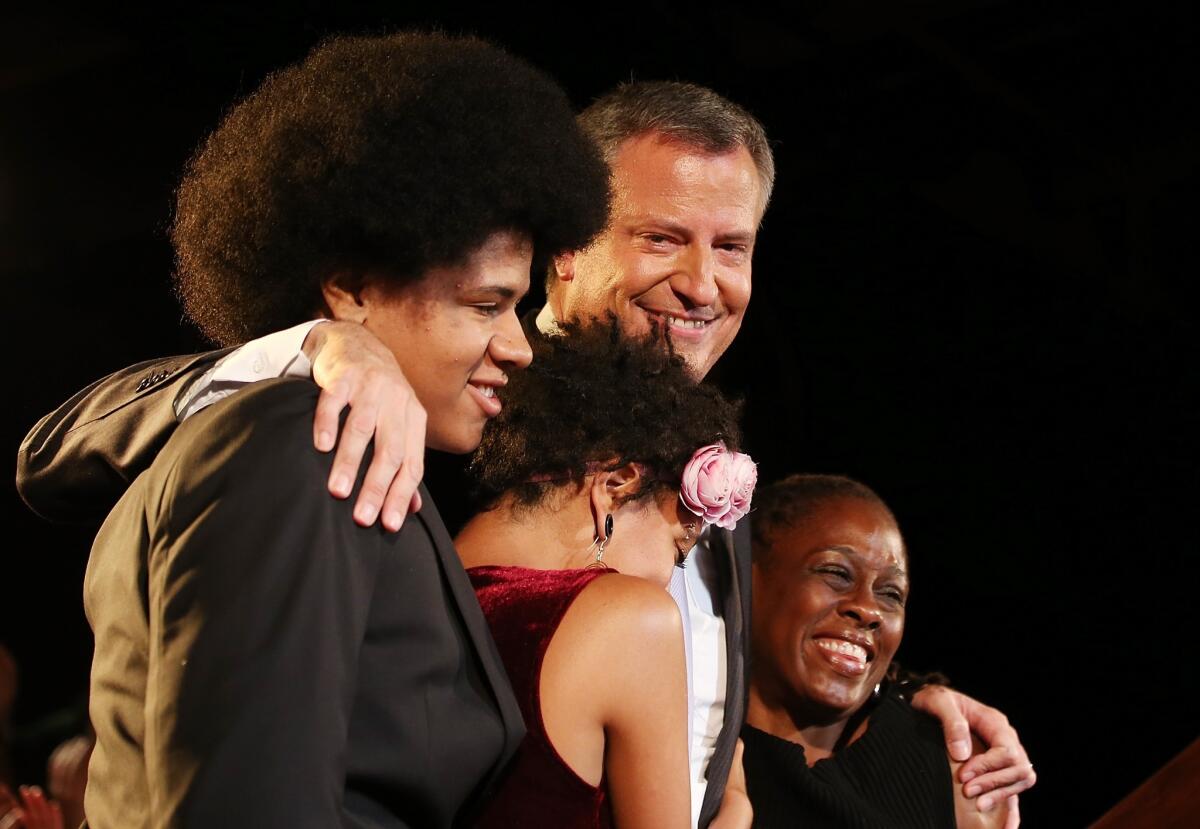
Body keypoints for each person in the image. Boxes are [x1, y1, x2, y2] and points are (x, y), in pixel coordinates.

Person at [16, 81, 1035, 825]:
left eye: (731, 247)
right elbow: (56, 451)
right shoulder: (433, 398)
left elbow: (707, 723)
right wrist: (323, 348)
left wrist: (906, 708)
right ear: (567, 247)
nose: (702, 282)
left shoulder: (708, 465)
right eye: (662, 238)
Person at [70, 31, 610, 828]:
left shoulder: (298, 435)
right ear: (352, 289)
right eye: (486, 304)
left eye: (521, 307)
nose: (519, 345)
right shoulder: (298, 445)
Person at [457, 325, 752, 828]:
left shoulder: (414, 572)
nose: (667, 583)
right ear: (615, 485)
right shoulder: (630, 618)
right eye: (678, 550)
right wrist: (738, 811)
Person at [743, 474, 1013, 828]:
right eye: (836, 572)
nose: (868, 610)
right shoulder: (685, 748)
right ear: (749, 578)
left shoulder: (957, 768)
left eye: (891, 594)